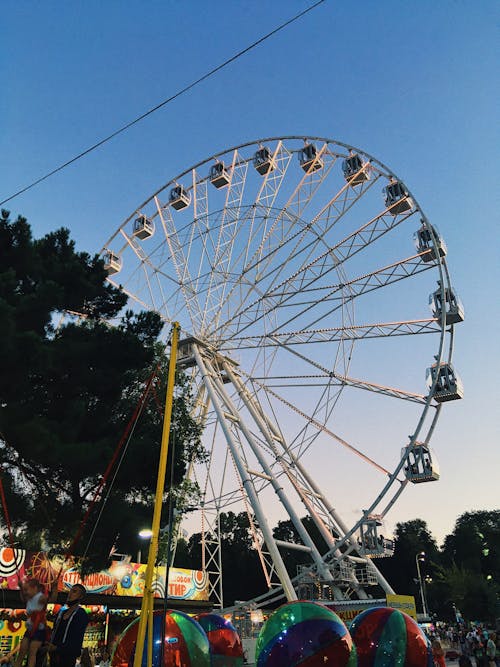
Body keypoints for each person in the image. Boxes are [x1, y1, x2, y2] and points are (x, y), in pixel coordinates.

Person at [46, 584, 89, 667]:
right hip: (54, 657)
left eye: (74, 591)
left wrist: (57, 648)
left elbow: (76, 638)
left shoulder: (81, 614)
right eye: (70, 591)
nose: (70, 594)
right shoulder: (61, 613)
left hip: (67, 658)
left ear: (81, 596)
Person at [15, 579, 50, 667]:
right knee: (22, 651)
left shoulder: (40, 597)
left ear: (35, 588)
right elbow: (23, 598)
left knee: (32, 652)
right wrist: (20, 588)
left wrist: (53, 590)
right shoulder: (30, 598)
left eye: (27, 589)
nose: (26, 592)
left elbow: (49, 599)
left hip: (39, 629)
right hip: (30, 628)